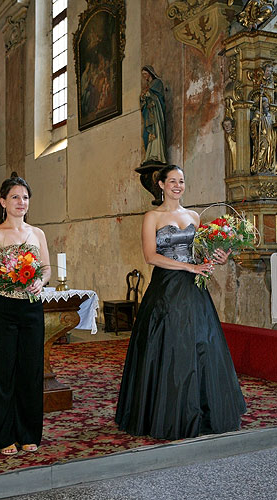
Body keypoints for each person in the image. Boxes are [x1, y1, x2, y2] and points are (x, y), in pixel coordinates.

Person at [115, 165, 246, 440]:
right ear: (161, 185)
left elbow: (200, 255)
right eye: (172, 181)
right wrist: (187, 268)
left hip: (193, 290)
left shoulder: (195, 216)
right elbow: (151, 256)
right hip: (165, 290)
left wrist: (217, 258)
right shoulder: (152, 216)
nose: (177, 185)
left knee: (200, 345)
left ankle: (201, 414)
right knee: (170, 346)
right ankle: (165, 414)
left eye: (181, 181)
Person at [0, 173, 51, 455]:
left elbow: (45, 268)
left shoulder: (38, 234)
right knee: (2, 374)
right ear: (3, 202)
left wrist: (39, 281)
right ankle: (4, 436)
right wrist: (8, 276)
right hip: (4, 309)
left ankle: (29, 432)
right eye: (15, 197)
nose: (21, 202)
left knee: (30, 372)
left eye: (25, 197)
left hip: (32, 308)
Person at [140, 65, 167, 165]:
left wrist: (148, 94)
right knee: (146, 135)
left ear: (150, 73)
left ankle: (157, 155)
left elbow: (159, 97)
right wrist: (142, 98)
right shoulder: (147, 86)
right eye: (143, 75)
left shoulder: (157, 83)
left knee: (156, 132)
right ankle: (150, 155)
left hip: (156, 113)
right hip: (149, 114)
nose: (145, 77)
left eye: (145, 74)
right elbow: (143, 103)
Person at [250, 96, 276, 174]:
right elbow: (253, 123)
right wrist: (257, 123)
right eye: (265, 103)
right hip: (262, 136)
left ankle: (267, 167)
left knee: (270, 151)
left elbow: (271, 124)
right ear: (261, 104)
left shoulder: (269, 115)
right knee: (263, 148)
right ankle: (259, 167)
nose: (267, 105)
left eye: (268, 103)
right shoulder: (258, 113)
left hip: (270, 137)